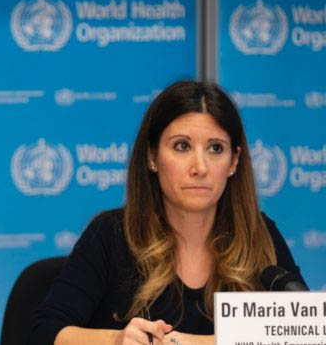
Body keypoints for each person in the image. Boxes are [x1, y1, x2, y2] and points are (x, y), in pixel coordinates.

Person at [29, 80, 305, 345]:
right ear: (152, 156)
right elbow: (44, 333)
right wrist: (115, 340)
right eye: (182, 146)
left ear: (233, 161)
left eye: (215, 148)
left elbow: (305, 331)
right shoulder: (112, 234)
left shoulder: (257, 234)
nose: (200, 167)